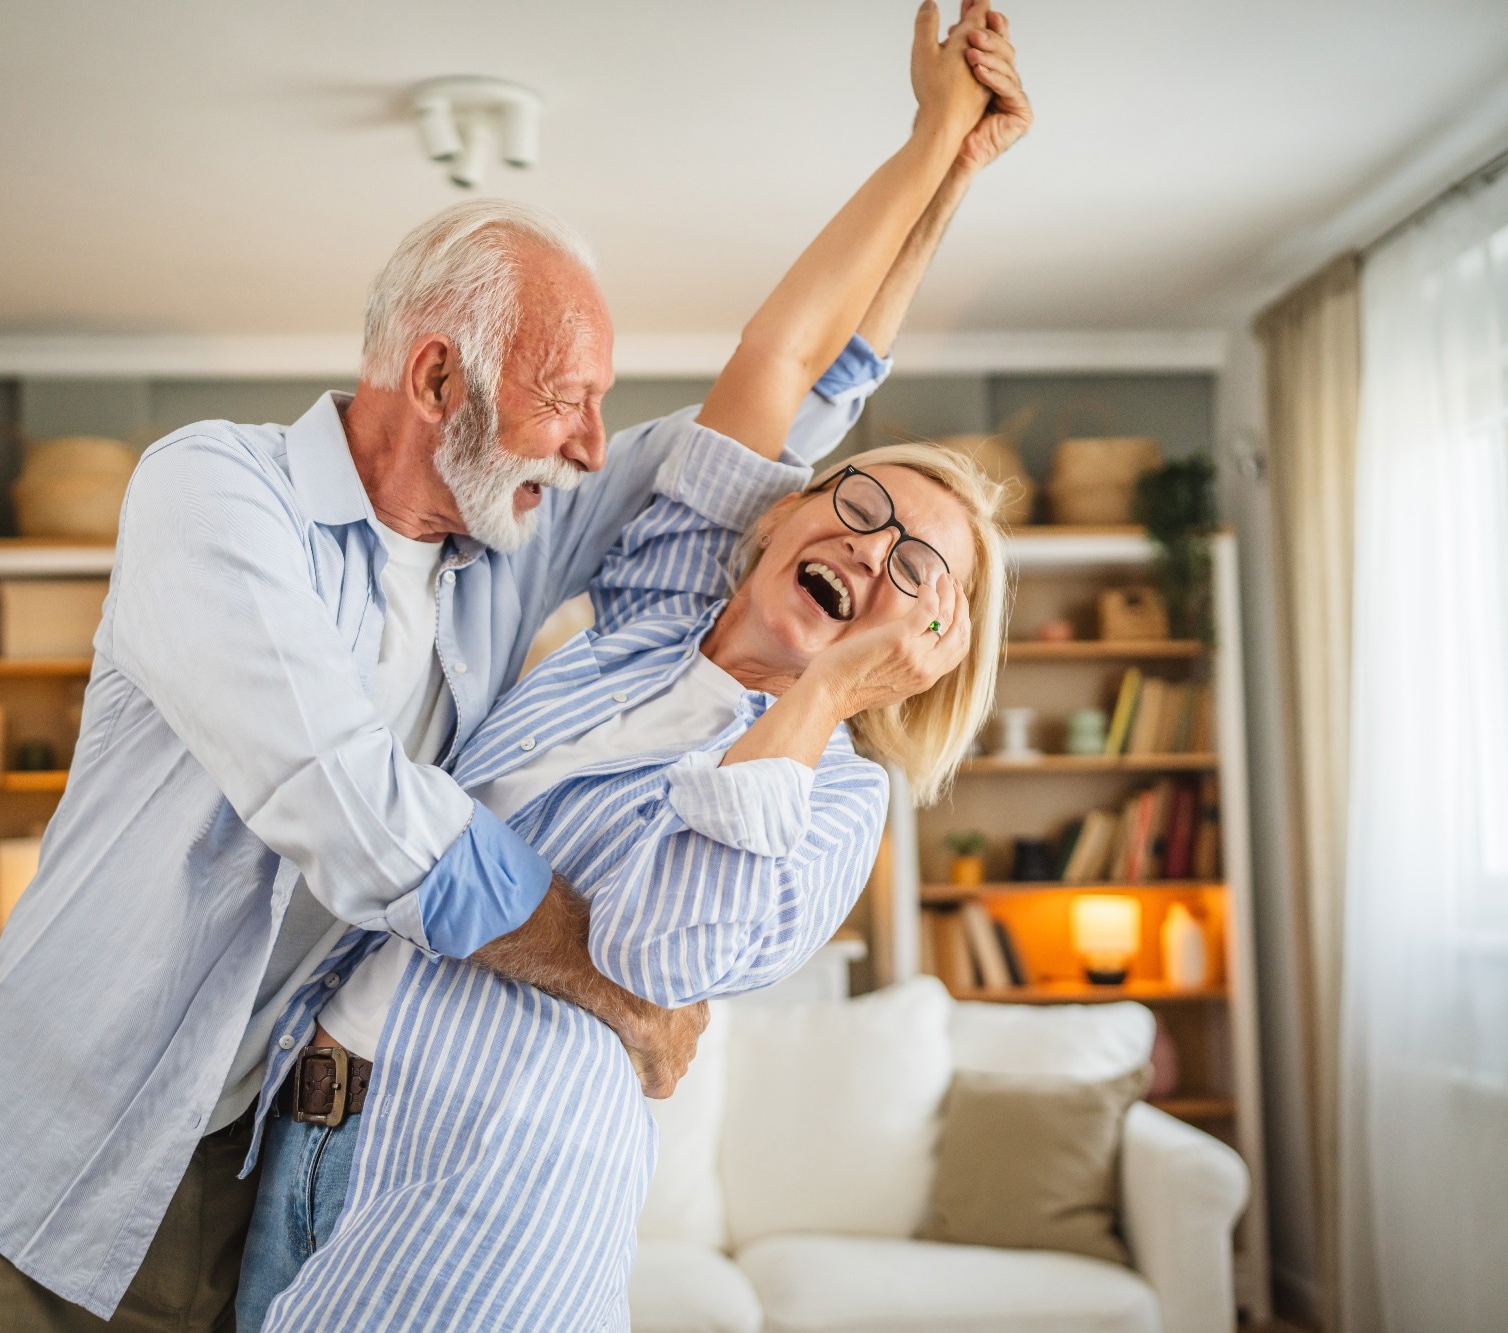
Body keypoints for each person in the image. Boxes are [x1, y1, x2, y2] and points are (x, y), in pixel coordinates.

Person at [0, 70, 906, 1333]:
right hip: (36, 1166)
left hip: (232, 1176)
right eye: (567, 399)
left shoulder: (506, 532)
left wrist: (944, 157)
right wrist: (619, 980)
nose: (592, 446)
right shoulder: (212, 494)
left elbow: (770, 421)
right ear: (436, 383)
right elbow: (351, 807)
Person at [241, 3, 1030, 1329]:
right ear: (777, 513)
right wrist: (935, 148)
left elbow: (660, 946)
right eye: (859, 504)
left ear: (931, 644)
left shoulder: (835, 801)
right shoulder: (664, 607)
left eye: (918, 570)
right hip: (318, 1131)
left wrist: (826, 693)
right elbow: (789, 356)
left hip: (494, 1204)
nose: (873, 546)